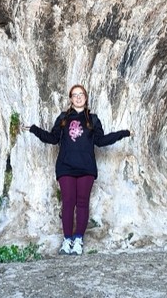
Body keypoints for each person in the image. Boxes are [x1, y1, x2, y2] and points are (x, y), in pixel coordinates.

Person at [28, 84, 132, 255]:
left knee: (82, 203)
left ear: (86, 97)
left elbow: (101, 141)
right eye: (74, 95)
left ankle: (78, 240)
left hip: (86, 167)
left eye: (81, 94)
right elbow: (53, 138)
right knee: (68, 203)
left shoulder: (93, 119)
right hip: (66, 166)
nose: (78, 97)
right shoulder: (63, 118)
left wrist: (123, 133)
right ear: (70, 99)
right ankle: (67, 240)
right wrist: (34, 129)